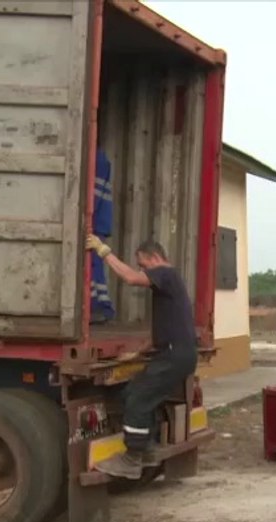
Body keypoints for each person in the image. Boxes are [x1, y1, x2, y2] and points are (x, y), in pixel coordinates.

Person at [86, 235, 196, 479]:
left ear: (155, 258)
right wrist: (138, 352)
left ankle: (132, 458)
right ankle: (147, 449)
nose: (142, 270)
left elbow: (130, 278)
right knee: (135, 394)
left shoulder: (166, 274)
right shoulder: (170, 283)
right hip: (177, 353)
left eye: (143, 265)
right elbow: (167, 328)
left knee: (138, 398)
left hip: (174, 355)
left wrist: (103, 251)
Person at [89, 148, 116, 324]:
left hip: (95, 221)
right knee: (94, 265)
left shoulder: (97, 160)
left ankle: (99, 307)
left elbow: (92, 197)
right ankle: (100, 307)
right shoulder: (100, 159)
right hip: (99, 221)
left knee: (93, 264)